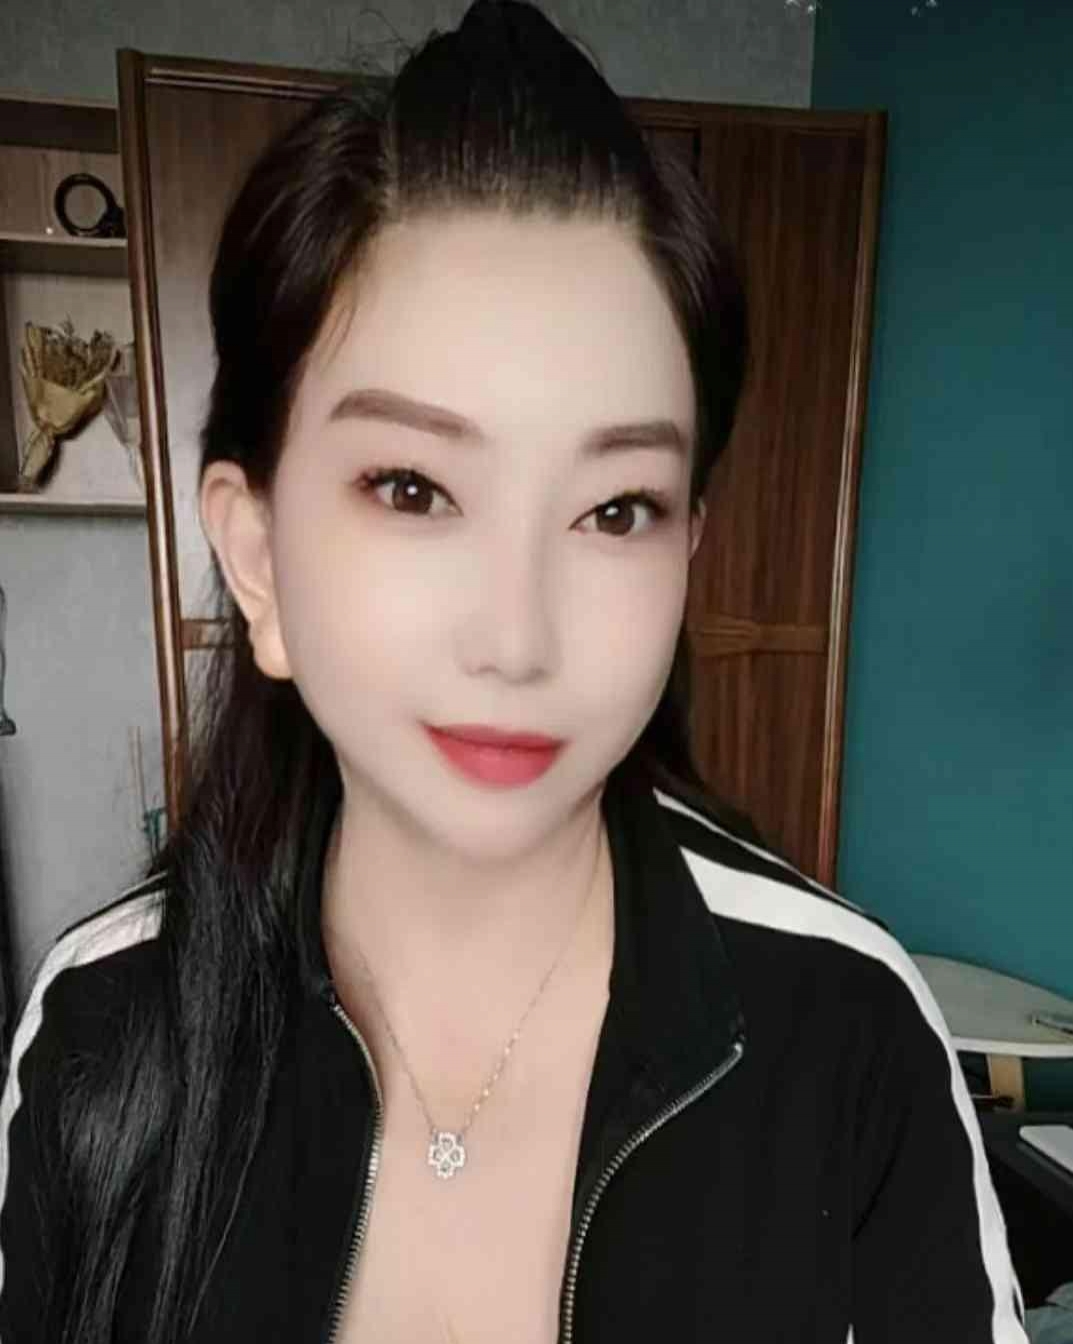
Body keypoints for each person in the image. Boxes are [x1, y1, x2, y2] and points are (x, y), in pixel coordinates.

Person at [0, 3, 1028, 1342]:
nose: (519, 638)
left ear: (686, 551)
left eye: (615, 510)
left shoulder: (848, 1029)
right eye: (413, 488)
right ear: (256, 559)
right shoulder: (100, 1025)